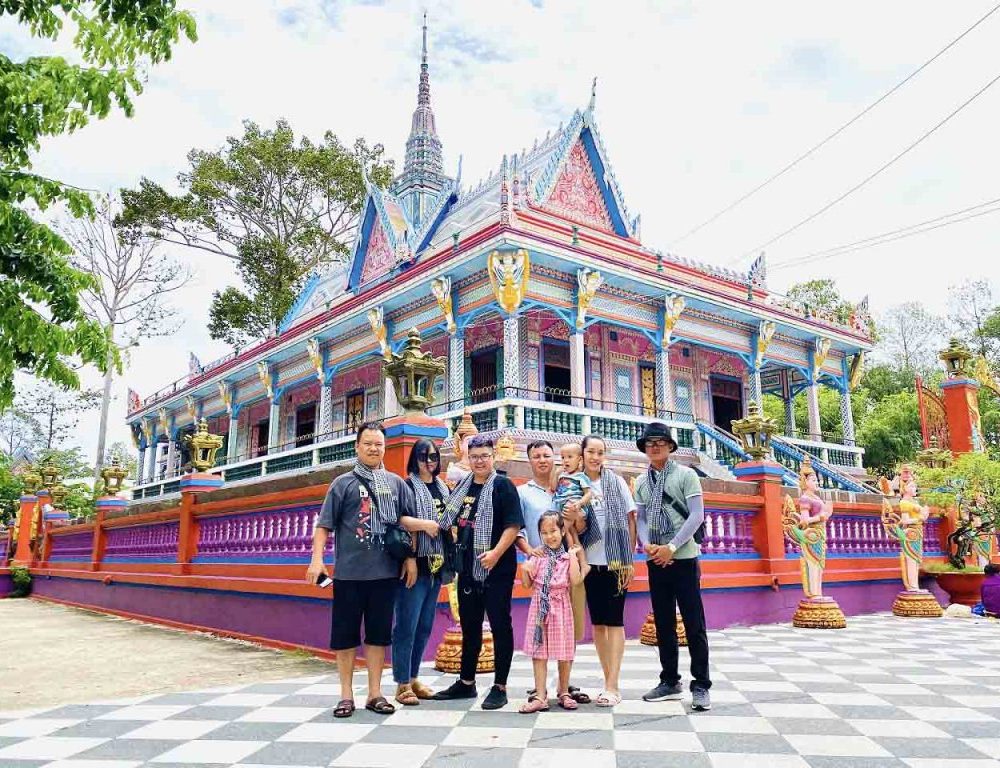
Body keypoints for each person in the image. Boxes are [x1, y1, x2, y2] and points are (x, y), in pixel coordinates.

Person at [306, 422, 418, 719]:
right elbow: (324, 526)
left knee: (378, 636)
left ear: (385, 447)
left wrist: (410, 558)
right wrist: (317, 560)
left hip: (385, 573)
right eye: (367, 443)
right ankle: (346, 695)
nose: (373, 449)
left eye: (378, 444)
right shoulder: (342, 484)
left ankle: (375, 693)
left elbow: (407, 522)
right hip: (349, 575)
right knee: (345, 637)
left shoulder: (396, 483)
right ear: (357, 447)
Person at [434, 435, 524, 710]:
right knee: (470, 625)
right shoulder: (463, 486)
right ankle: (466, 682)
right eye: (474, 457)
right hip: (468, 567)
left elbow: (513, 525)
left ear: (493, 456)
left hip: (497, 568)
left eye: (485, 456)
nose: (480, 461)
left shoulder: (503, 486)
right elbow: (449, 521)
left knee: (500, 625)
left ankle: (500, 686)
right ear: (468, 458)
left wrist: (496, 553)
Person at [633, 422, 712, 712]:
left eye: (660, 442)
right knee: (664, 622)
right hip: (656, 558)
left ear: (670, 446)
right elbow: (641, 518)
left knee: (694, 623)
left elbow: (696, 515)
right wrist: (646, 544)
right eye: (649, 443)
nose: (655, 447)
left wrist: (672, 547)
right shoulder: (642, 482)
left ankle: (701, 684)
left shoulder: (686, 475)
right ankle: (669, 680)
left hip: (684, 556)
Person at [516, 440, 590, 705]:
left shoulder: (567, 486)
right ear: (529, 460)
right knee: (542, 631)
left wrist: (576, 514)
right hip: (542, 568)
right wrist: (530, 553)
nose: (542, 460)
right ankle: (541, 690)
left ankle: (564, 686)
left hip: (568, 564)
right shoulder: (524, 493)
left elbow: (581, 525)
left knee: (569, 628)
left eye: (547, 455)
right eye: (536, 456)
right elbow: (517, 529)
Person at [576, 434, 636, 708]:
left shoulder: (616, 482)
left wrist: (629, 559)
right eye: (591, 452)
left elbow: (630, 519)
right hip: (588, 564)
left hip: (615, 563)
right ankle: (607, 680)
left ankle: (613, 685)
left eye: (600, 452)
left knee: (615, 622)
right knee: (598, 624)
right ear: (583, 454)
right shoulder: (575, 483)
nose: (595, 457)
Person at [391, 438, 453, 706]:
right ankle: (402, 683)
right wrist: (424, 528)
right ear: (414, 460)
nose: (428, 462)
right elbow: (398, 520)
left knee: (425, 625)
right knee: (407, 624)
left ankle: (414, 678)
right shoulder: (407, 486)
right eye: (422, 457)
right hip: (415, 562)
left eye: (433, 457)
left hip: (437, 563)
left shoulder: (442, 487)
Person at [519, 511, 585, 713]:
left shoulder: (567, 557)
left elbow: (576, 580)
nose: (549, 536)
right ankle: (540, 695)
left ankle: (563, 691)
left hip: (561, 606)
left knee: (565, 651)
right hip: (540, 608)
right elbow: (527, 585)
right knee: (539, 652)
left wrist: (573, 557)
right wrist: (524, 569)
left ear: (562, 531)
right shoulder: (537, 556)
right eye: (544, 533)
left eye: (553, 531)